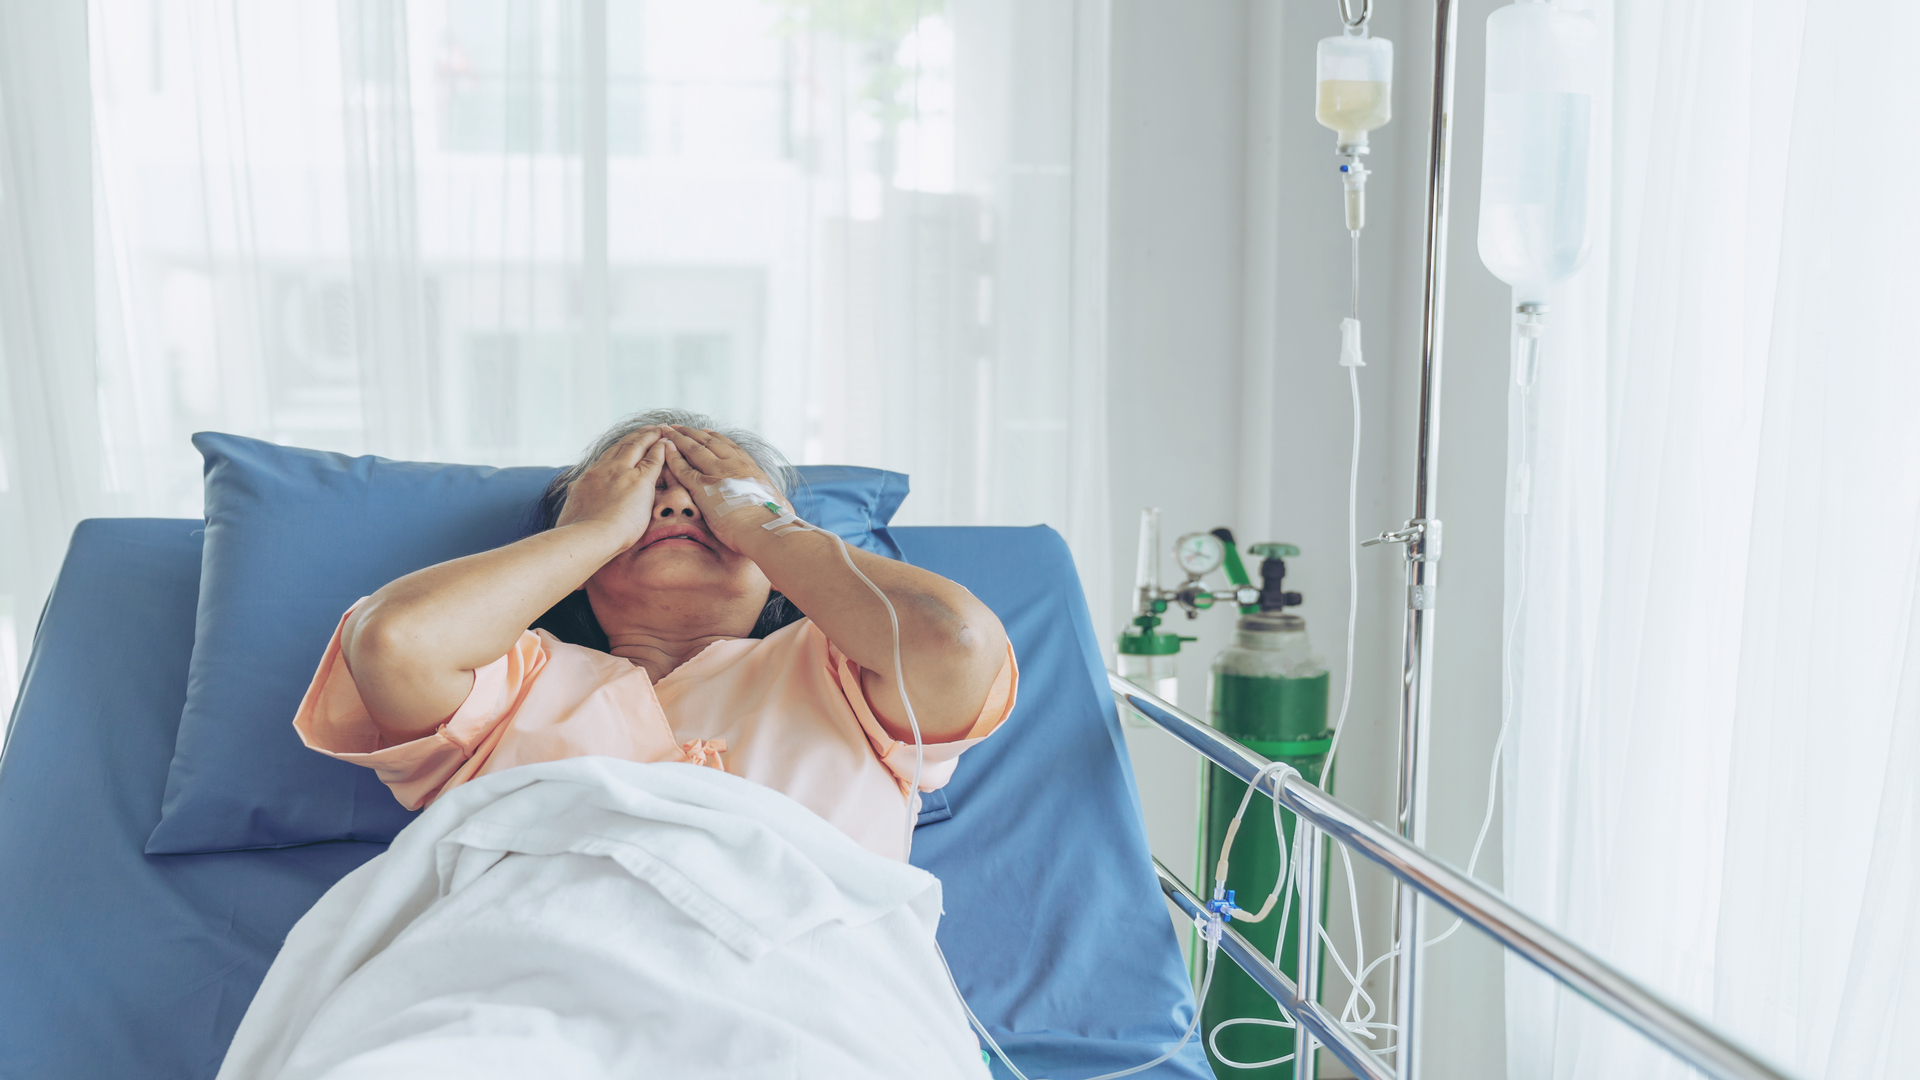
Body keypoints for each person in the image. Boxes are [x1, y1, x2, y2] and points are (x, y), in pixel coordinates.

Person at [291, 410, 1016, 860]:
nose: (676, 507)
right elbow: (394, 640)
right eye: (645, 500)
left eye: (709, 500)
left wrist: (764, 523)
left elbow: (954, 641)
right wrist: (594, 529)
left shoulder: (847, 670)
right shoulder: (511, 683)